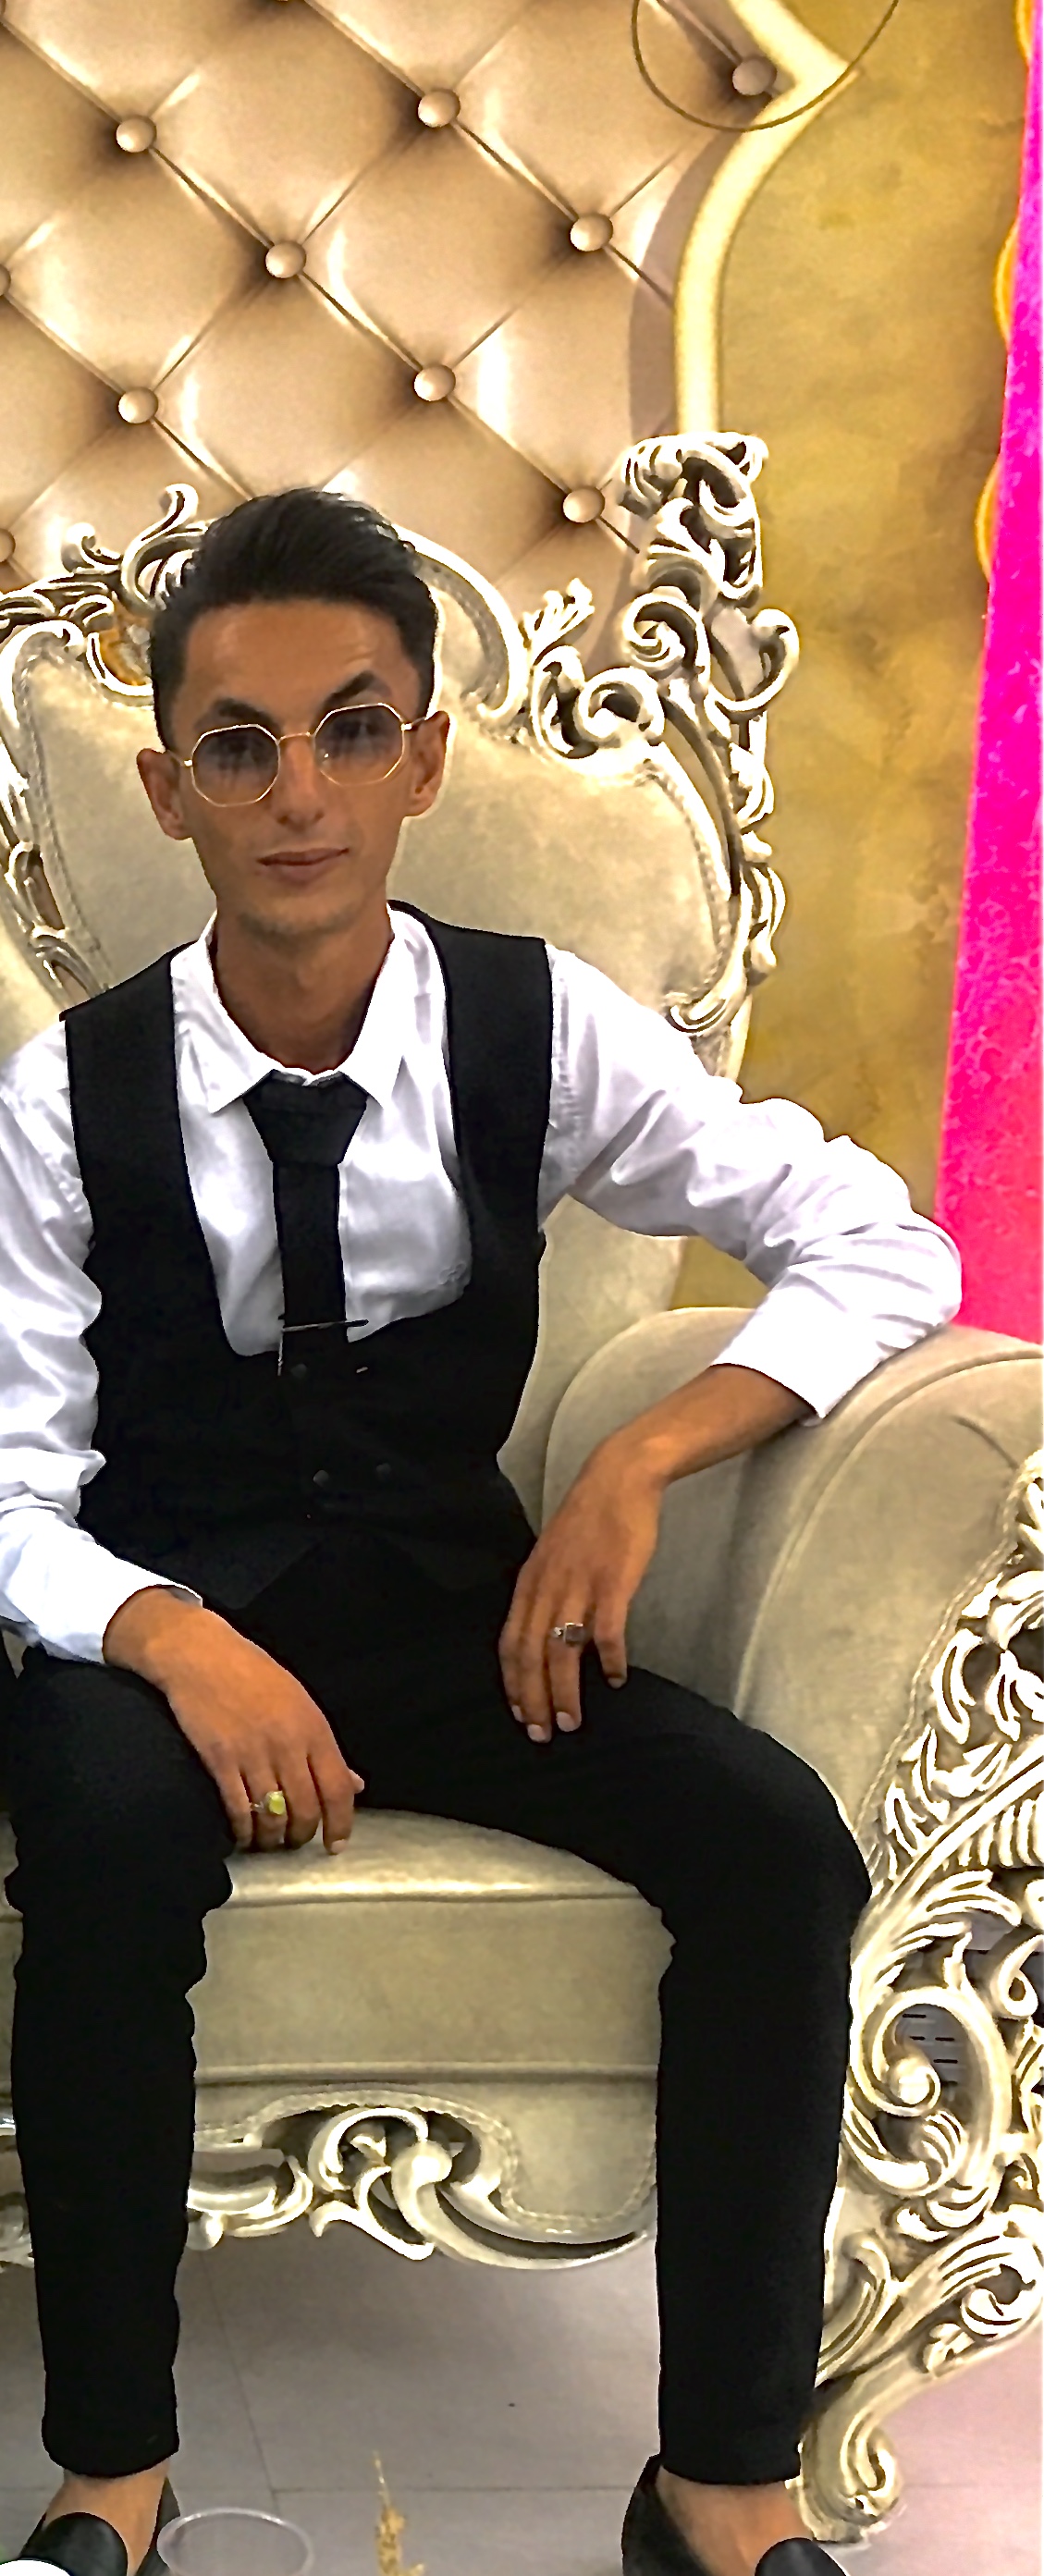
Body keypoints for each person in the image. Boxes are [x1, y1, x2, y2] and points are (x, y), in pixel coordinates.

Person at [0, 489, 959, 2576]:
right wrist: (171, 1636)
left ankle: (718, 2485)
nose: (300, 793)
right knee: (92, 1830)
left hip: (460, 1614)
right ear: (168, 791)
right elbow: (12, 1482)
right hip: (172, 1619)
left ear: (424, 756)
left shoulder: (542, 1029)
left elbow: (877, 1245)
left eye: (351, 730)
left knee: (773, 1844)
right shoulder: (67, 1096)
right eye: (239, 746)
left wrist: (638, 1461)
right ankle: (111, 2476)